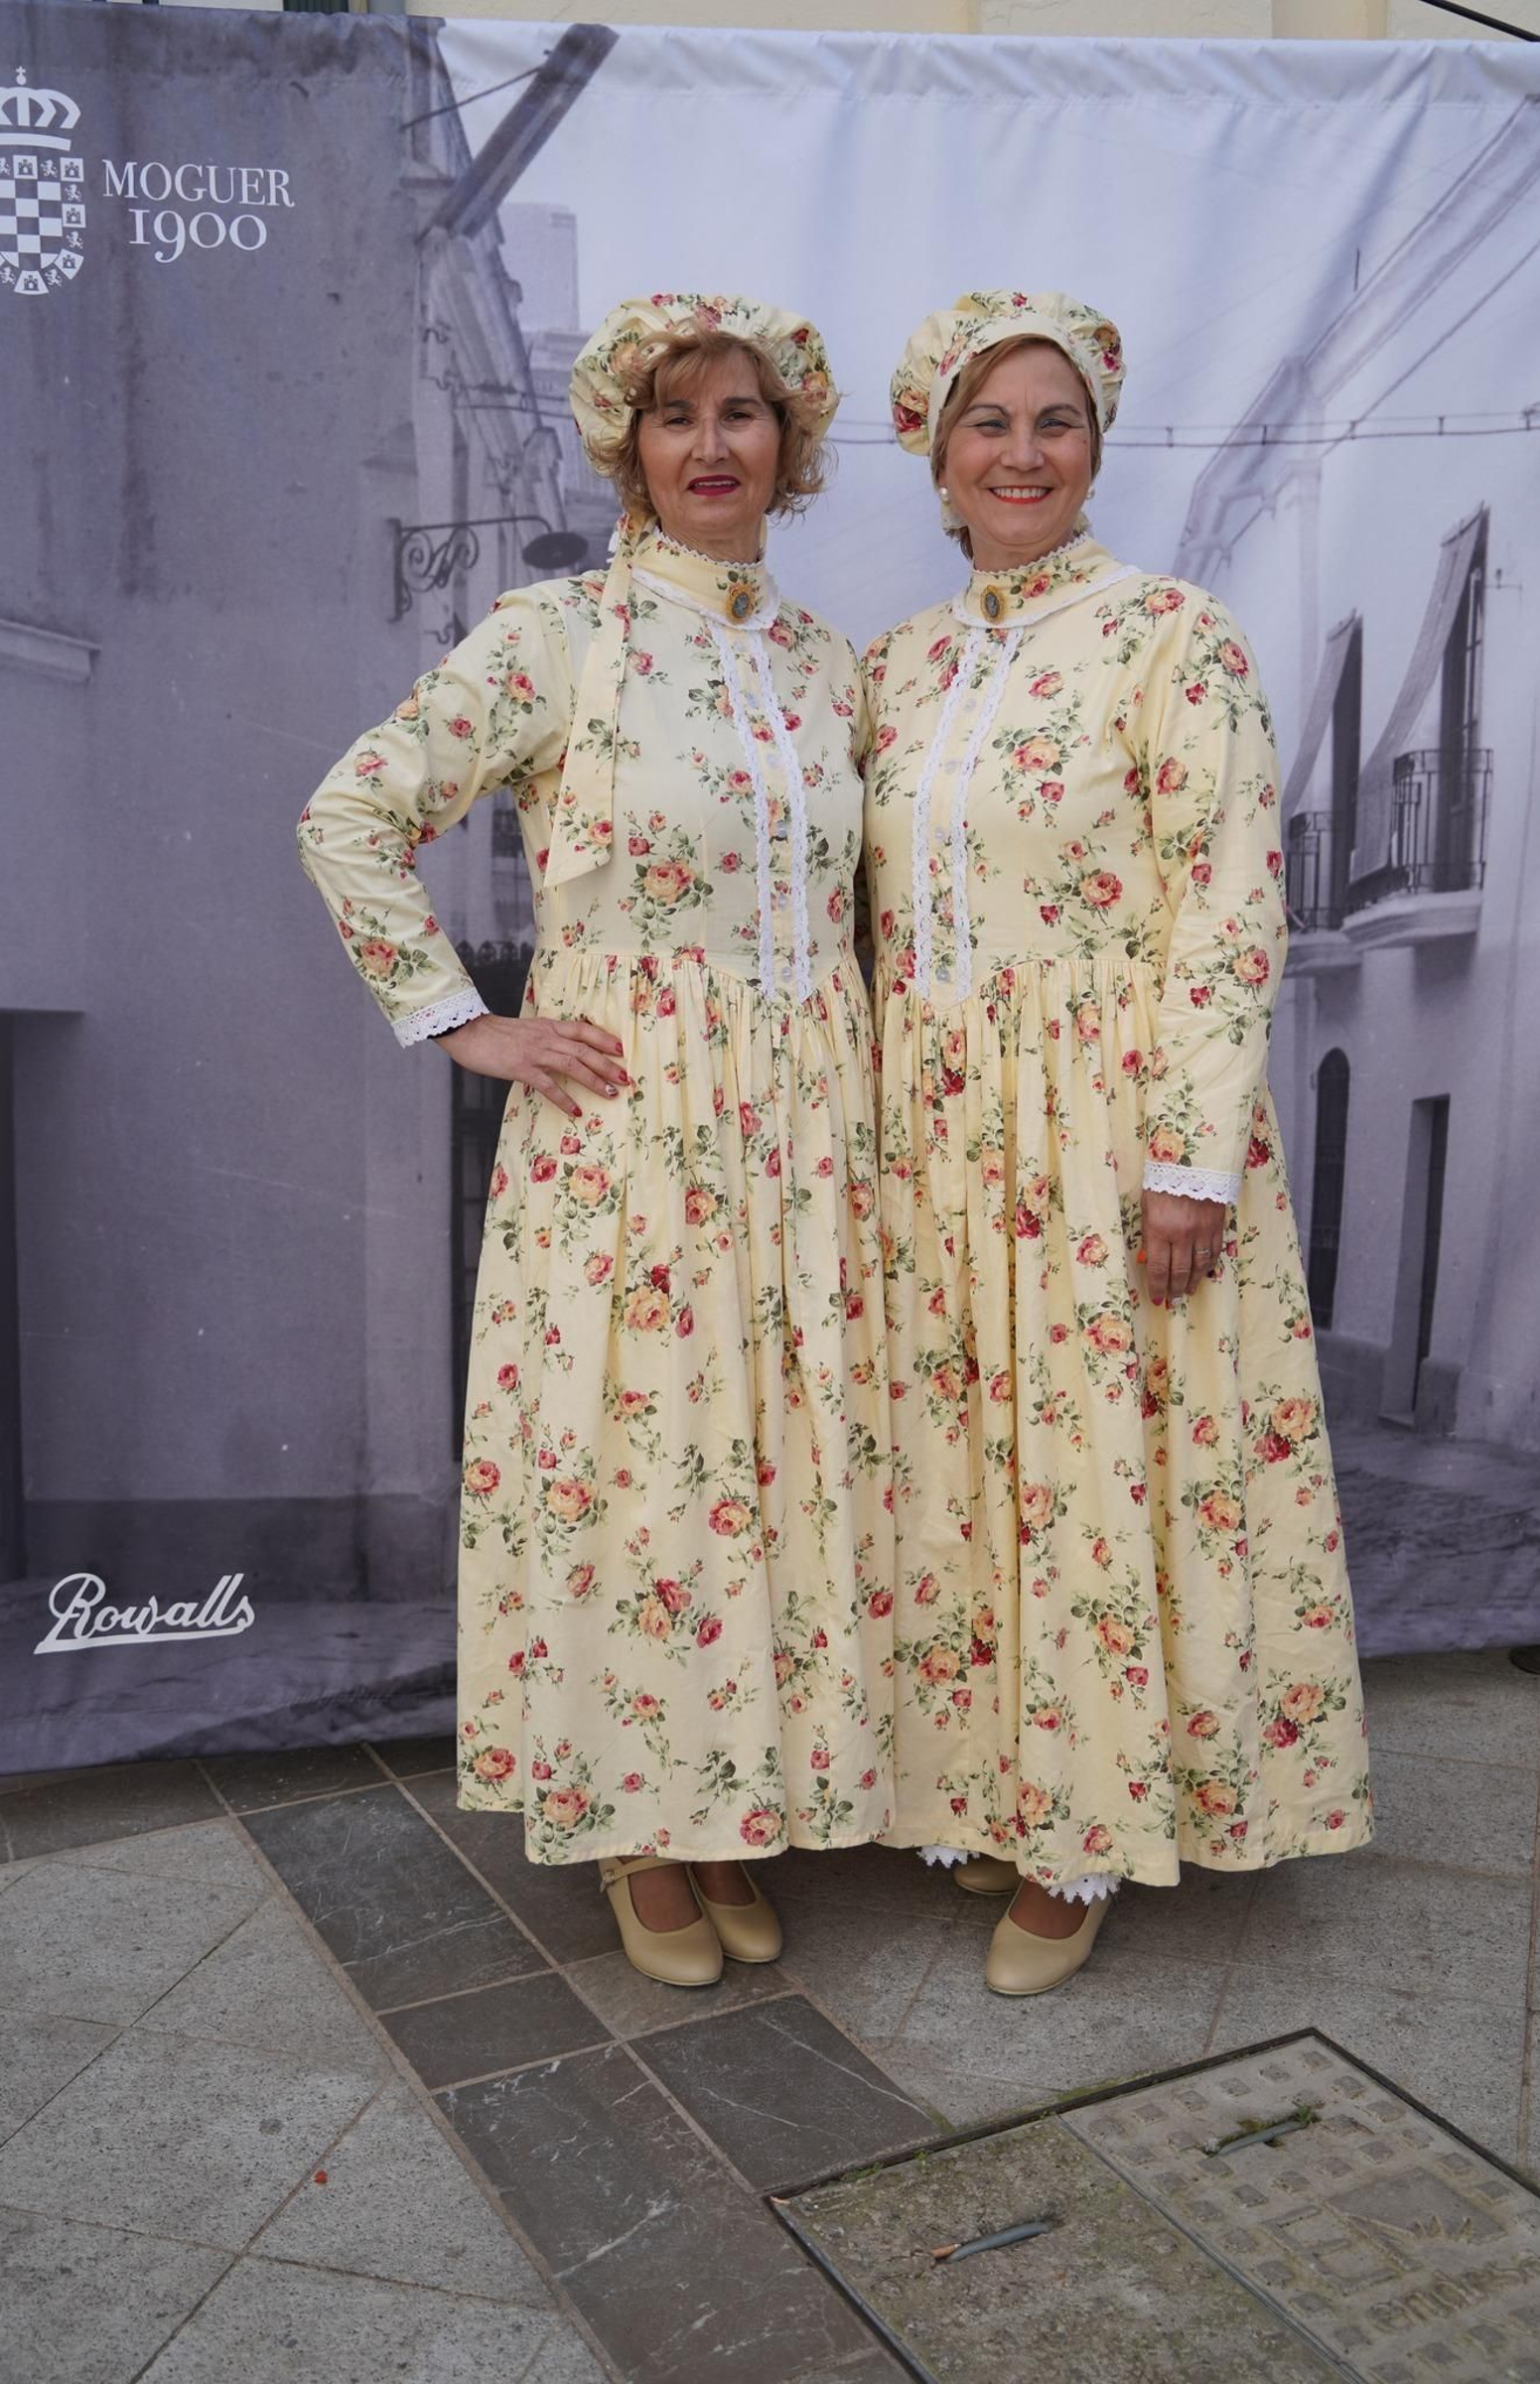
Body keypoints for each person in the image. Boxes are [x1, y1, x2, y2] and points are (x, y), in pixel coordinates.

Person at [298, 294, 894, 1988]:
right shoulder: (559, 636)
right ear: (627, 445)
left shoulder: (825, 663)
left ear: (790, 442)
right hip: (632, 1129)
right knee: (640, 1469)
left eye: (741, 414)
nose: (711, 445)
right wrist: (462, 1019)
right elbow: (351, 811)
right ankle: (638, 1821)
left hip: (804, 1133)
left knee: (769, 1467)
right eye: (675, 415)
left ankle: (731, 1799)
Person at [865, 288, 1371, 1997]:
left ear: (1095, 446)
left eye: (1055, 421)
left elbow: (1229, 903)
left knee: (1092, 1469)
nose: (1023, 454)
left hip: (1106, 1126)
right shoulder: (895, 665)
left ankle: (1084, 1831)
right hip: (936, 1138)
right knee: (969, 1466)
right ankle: (993, 1783)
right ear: (937, 456)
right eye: (988, 424)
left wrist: (1188, 1155)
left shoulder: (1173, 636)